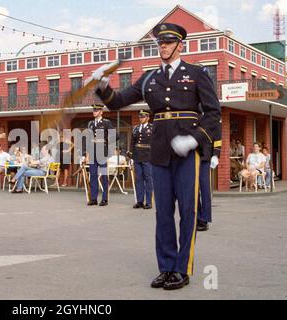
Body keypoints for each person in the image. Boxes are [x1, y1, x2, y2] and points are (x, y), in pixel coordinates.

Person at [94, 23, 221, 290]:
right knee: (163, 212)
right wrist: (103, 86)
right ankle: (166, 267)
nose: (162, 46)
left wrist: (195, 139)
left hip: (187, 149)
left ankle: (182, 269)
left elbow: (212, 114)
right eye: (160, 43)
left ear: (180, 45)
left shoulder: (197, 74)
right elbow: (118, 101)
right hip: (160, 149)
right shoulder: (150, 78)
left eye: (168, 42)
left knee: (188, 211)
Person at [197, 113, 221, 232]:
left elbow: (217, 138)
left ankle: (204, 219)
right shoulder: (191, 114)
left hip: (205, 157)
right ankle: (196, 217)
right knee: (193, 189)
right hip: (191, 156)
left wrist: (216, 155)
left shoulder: (212, 117)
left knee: (204, 188)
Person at [86, 104, 114, 207]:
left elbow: (115, 136)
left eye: (97, 110)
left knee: (104, 176)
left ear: (101, 112)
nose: (94, 112)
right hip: (93, 153)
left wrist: (106, 144)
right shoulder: (91, 124)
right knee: (93, 176)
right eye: (93, 110)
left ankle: (104, 199)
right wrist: (87, 155)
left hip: (102, 153)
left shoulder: (106, 123)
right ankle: (93, 198)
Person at [131, 110, 154, 210]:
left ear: (148, 118)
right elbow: (132, 143)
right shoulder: (135, 128)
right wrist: (131, 156)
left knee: (148, 179)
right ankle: (140, 201)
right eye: (140, 117)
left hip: (148, 156)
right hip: (137, 156)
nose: (141, 119)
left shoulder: (152, 128)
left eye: (143, 117)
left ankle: (148, 202)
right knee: (139, 179)